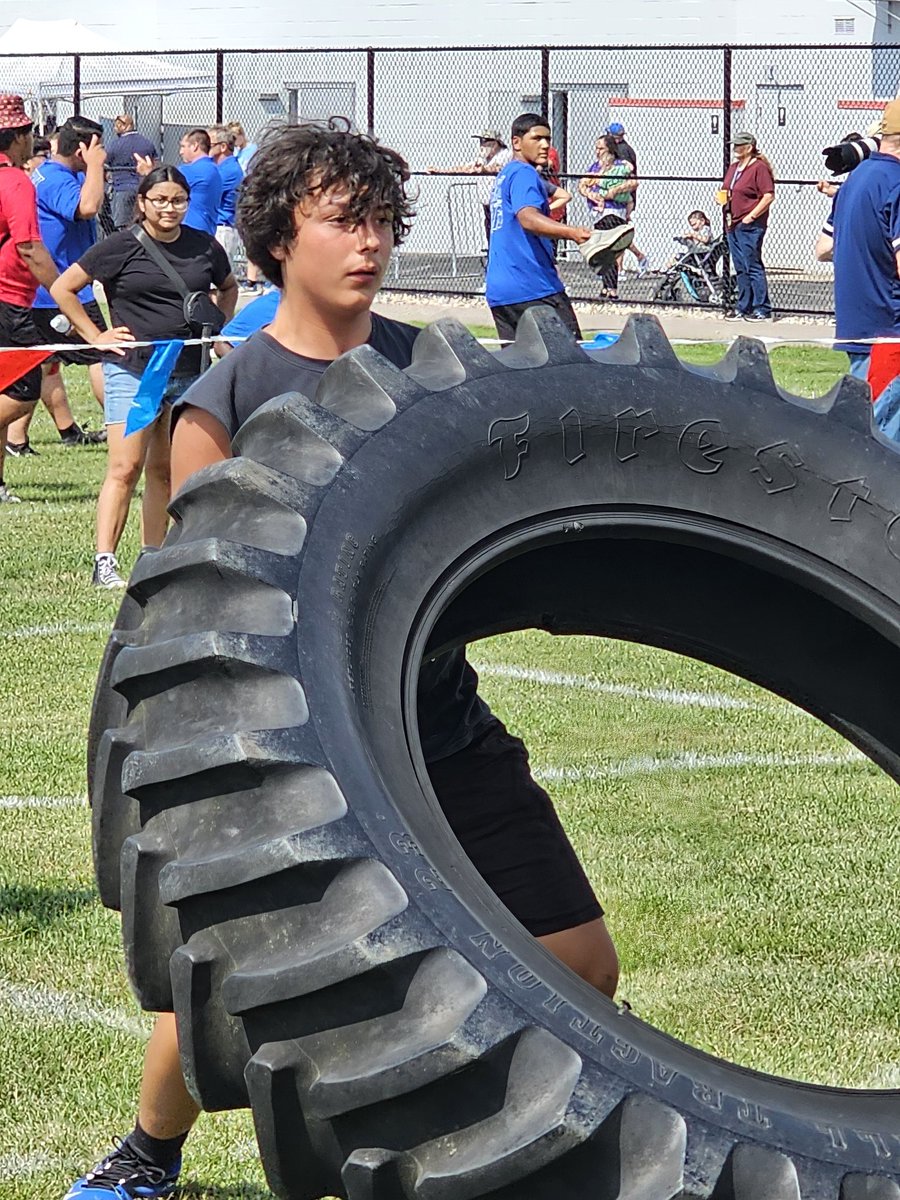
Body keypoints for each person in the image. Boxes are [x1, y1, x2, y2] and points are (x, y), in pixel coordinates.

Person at [63, 119, 618, 1200]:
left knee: (583, 957)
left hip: (437, 722)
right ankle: (146, 1157)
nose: (365, 244)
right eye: (337, 220)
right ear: (276, 238)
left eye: (378, 222)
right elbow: (185, 601)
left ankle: (490, 1126)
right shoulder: (227, 401)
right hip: (283, 751)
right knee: (219, 989)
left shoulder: (433, 370)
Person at [50, 165, 237, 588]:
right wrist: (96, 336)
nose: (170, 209)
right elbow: (65, 288)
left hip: (190, 372)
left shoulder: (204, 247)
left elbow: (227, 287)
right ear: (142, 203)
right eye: (161, 200)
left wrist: (217, 326)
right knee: (125, 466)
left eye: (178, 201)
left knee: (165, 471)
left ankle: (153, 557)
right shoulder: (120, 246)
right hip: (135, 371)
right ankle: (105, 563)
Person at [6, 115, 109, 457]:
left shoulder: (54, 174)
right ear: (83, 150)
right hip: (59, 290)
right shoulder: (53, 179)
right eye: (98, 148)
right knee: (105, 353)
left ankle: (18, 440)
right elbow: (88, 206)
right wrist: (96, 167)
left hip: (51, 289)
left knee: (40, 364)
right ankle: (122, 425)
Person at [815, 99, 900, 418]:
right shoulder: (897, 182)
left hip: (858, 328)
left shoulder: (856, 178)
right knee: (882, 451)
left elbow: (823, 248)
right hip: (890, 335)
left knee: (865, 436)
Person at [0, 93, 61, 503]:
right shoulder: (16, 181)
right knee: (23, 391)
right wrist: (62, 292)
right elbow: (29, 247)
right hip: (8, 296)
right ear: (20, 136)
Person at [486, 113, 592, 341]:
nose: (545, 145)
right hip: (533, 286)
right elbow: (528, 219)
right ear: (516, 142)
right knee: (574, 367)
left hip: (501, 292)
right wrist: (572, 232)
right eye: (537, 139)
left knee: (521, 371)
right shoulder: (524, 173)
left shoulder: (506, 174)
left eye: (548, 139)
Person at [720, 131, 775, 321]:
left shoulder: (759, 168)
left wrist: (750, 217)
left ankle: (762, 308)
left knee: (752, 265)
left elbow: (768, 195)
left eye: (738, 145)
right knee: (740, 266)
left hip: (749, 225)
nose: (735, 149)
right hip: (732, 223)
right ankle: (744, 306)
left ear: (749, 147)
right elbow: (727, 188)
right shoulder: (734, 167)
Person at [427, 129, 512, 246]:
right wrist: (439, 170)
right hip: (488, 204)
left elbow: (497, 168)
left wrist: (484, 169)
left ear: (496, 143)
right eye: (481, 141)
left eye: (486, 141)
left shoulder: (505, 154)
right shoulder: (483, 158)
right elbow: (466, 168)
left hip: (501, 204)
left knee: (502, 236)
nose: (482, 145)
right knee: (490, 234)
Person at [577, 134, 637, 299]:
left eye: (601, 148)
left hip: (612, 212)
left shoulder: (619, 166)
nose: (597, 152)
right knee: (602, 250)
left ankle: (611, 288)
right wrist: (589, 193)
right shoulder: (596, 167)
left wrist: (615, 191)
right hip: (597, 212)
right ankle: (607, 286)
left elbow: (633, 183)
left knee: (608, 248)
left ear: (610, 149)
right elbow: (582, 184)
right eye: (596, 148)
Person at [605, 121, 649, 273]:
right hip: (617, 197)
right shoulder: (621, 149)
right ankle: (632, 260)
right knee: (615, 233)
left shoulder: (622, 151)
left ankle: (621, 267)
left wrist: (617, 191)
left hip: (622, 198)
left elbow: (629, 176)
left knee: (619, 233)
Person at [105, 114, 157, 230]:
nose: (115, 129)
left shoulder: (114, 145)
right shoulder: (147, 143)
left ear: (124, 126)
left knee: (123, 227)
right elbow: (155, 163)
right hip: (143, 187)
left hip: (122, 189)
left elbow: (105, 164)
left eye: (117, 126)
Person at [207, 124, 243, 265]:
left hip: (222, 229)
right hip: (215, 226)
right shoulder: (218, 168)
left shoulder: (229, 170)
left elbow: (207, 192)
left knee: (218, 280)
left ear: (222, 147)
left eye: (209, 144)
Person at [177, 129, 222, 236]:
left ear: (195, 146)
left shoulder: (191, 171)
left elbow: (164, 182)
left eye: (183, 146)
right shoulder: (214, 169)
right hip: (207, 231)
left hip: (192, 232)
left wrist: (148, 171)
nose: (181, 152)